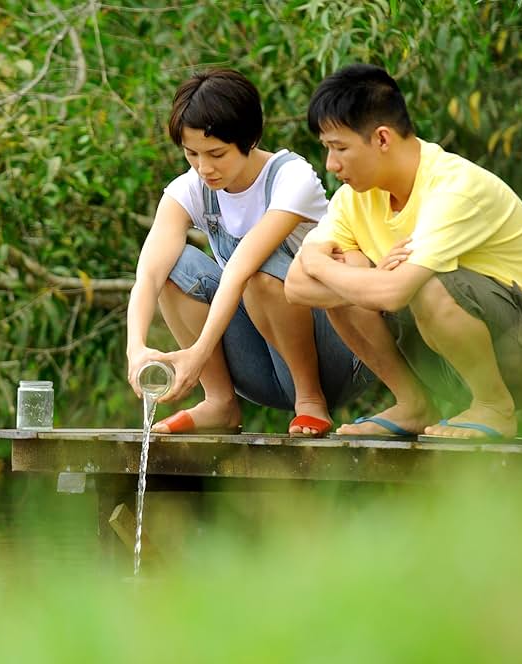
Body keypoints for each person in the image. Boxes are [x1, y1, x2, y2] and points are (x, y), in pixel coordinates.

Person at [286, 64, 522, 440]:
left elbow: (394, 293)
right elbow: (295, 287)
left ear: (382, 138)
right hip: (445, 361)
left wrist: (323, 265)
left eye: (340, 148)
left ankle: (494, 407)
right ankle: (412, 403)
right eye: (327, 149)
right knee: (348, 276)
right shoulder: (353, 199)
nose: (331, 165)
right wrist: (362, 276)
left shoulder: (455, 187)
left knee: (425, 283)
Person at [126, 68, 370, 437]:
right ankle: (220, 402)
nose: (204, 168)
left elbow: (241, 269)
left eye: (216, 154)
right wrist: (136, 350)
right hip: (263, 365)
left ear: (251, 139)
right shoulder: (189, 189)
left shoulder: (291, 178)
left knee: (260, 270)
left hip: (339, 357)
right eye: (192, 154)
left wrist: (197, 353)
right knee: (176, 267)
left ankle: (310, 400)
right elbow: (148, 275)